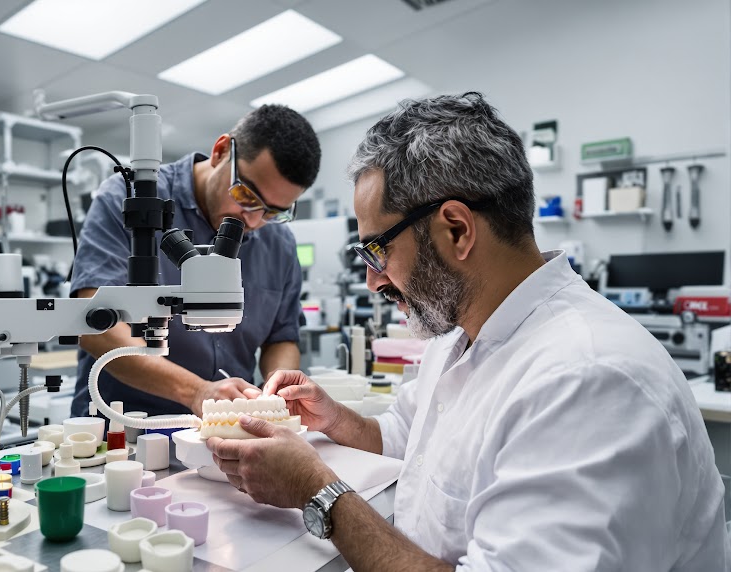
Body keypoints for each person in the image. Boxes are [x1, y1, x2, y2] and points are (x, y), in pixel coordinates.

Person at [205, 93, 727, 570]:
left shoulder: (587, 381)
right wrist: (335, 418)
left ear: (456, 229)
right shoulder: (462, 335)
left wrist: (317, 490)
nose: (372, 280)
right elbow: (407, 439)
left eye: (377, 250)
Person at [69, 105, 321, 418]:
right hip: (122, 427)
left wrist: (274, 394)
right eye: (246, 196)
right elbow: (94, 322)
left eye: (272, 212)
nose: (254, 221)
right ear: (220, 151)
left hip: (225, 430)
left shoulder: (279, 243)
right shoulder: (132, 200)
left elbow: (282, 338)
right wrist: (196, 392)